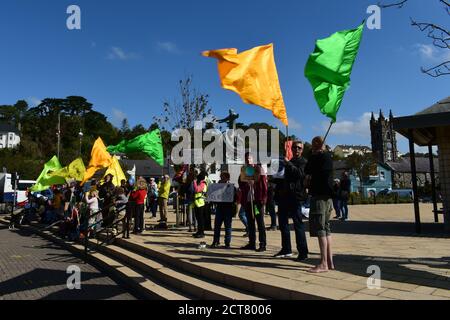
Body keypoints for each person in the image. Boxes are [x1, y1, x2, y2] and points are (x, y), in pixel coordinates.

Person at [274, 140, 309, 261]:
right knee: (283, 224)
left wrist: (288, 164)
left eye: (299, 148)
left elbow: (300, 174)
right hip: (284, 196)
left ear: (302, 150)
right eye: (294, 147)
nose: (296, 149)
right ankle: (286, 249)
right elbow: (283, 177)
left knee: (298, 225)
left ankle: (303, 252)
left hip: (296, 197)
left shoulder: (303, 162)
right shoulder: (289, 161)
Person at [305, 136, 335, 273]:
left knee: (320, 229)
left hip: (319, 196)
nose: (312, 146)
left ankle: (323, 263)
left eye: (313, 144)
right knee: (326, 228)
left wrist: (314, 156)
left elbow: (308, 170)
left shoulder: (320, 158)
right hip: (327, 197)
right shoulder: (328, 157)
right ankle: (329, 261)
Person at [238, 152, 268, 252]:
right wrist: (246, 182)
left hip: (256, 201)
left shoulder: (258, 169)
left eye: (249, 158)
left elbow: (264, 185)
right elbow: (241, 184)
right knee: (250, 222)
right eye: (246, 158)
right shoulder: (244, 170)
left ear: (253, 159)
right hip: (247, 201)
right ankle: (252, 242)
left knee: (259, 222)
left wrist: (263, 199)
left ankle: (262, 244)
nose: (248, 160)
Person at [211, 172, 235, 249]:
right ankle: (215, 241)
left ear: (227, 178)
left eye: (223, 177)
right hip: (219, 208)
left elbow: (234, 198)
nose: (221, 179)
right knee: (217, 226)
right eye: (221, 177)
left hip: (228, 209)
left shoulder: (231, 186)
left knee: (227, 226)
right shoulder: (217, 186)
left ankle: (227, 243)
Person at [192, 172, 208, 239]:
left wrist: (194, 182)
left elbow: (197, 190)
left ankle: (201, 233)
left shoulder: (203, 184)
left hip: (200, 203)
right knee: (198, 218)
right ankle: (199, 232)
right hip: (197, 203)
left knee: (200, 219)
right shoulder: (200, 183)